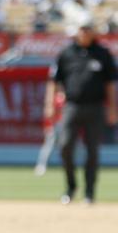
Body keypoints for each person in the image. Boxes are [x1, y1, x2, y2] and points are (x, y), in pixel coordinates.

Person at [45, 20, 117, 204]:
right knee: (65, 146)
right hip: (72, 106)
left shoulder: (102, 53)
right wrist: (50, 105)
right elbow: (54, 80)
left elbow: (110, 83)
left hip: (96, 107)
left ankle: (89, 192)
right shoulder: (66, 53)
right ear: (77, 31)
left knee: (92, 151)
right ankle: (71, 187)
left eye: (88, 29)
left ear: (93, 32)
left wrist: (112, 107)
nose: (84, 33)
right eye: (82, 29)